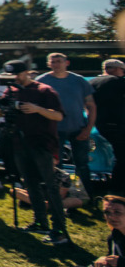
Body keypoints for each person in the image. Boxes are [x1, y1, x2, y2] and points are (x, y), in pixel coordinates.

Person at [0, 59, 70, 245]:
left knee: (50, 186)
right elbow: (1, 113)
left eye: (17, 74)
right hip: (18, 143)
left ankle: (59, 229)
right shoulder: (11, 90)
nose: (14, 78)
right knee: (30, 184)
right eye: (10, 75)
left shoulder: (44, 91)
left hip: (42, 144)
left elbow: (59, 115)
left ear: (27, 72)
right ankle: (40, 221)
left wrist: (37, 109)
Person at [37, 53, 97, 201]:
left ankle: (86, 195)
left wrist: (88, 128)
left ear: (67, 63)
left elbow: (91, 105)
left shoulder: (79, 80)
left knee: (82, 163)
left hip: (78, 127)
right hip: (54, 130)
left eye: (59, 61)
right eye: (53, 62)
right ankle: (59, 195)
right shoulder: (41, 81)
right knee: (57, 164)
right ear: (49, 64)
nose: (56, 64)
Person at [90, 59, 125, 194]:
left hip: (98, 124)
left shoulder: (91, 82)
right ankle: (118, 189)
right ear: (117, 69)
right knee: (122, 158)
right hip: (117, 124)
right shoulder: (117, 81)